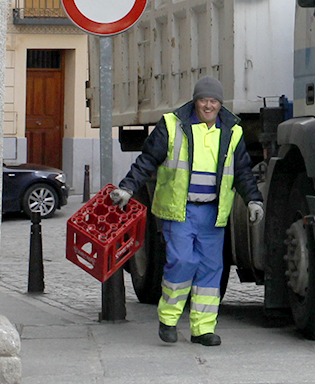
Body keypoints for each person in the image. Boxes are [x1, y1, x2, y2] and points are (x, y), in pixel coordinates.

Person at [110, 76, 263, 347]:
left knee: (210, 269)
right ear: (196, 101)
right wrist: (128, 188)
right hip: (179, 210)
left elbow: (242, 172)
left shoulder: (232, 131)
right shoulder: (172, 125)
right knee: (182, 262)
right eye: (203, 100)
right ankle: (168, 319)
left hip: (213, 213)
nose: (208, 105)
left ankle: (203, 328)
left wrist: (253, 199)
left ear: (220, 104)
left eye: (213, 101)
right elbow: (147, 161)